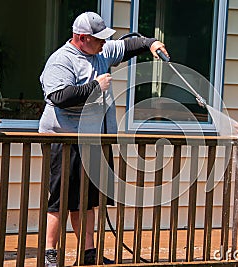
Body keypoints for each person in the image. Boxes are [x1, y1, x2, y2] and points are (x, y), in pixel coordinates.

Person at [39, 11, 168, 266]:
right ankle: (49, 257)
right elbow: (59, 97)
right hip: (64, 140)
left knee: (86, 201)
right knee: (60, 200)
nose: (103, 43)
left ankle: (88, 255)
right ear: (81, 37)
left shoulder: (101, 52)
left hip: (93, 140)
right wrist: (95, 86)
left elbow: (130, 45)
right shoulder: (61, 61)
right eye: (98, 39)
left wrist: (151, 43)